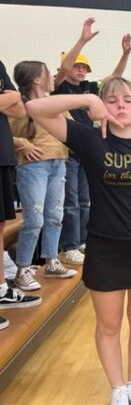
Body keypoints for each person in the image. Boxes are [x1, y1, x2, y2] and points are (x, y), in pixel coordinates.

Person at [26, 77, 131, 405]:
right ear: (103, 106)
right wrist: (87, 98)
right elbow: (35, 108)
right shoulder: (91, 139)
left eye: (128, 99)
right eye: (113, 99)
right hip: (106, 248)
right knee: (109, 324)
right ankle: (118, 387)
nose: (120, 105)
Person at [53, 17, 131, 265]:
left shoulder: (88, 87)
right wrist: (82, 41)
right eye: (76, 66)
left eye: (83, 67)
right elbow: (63, 70)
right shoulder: (58, 87)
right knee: (71, 201)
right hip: (67, 151)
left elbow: (115, 77)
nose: (79, 70)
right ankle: (69, 245)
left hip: (85, 151)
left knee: (85, 199)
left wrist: (125, 54)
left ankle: (84, 240)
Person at [11, 61, 77, 291]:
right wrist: (23, 145)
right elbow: (5, 134)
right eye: (48, 74)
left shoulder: (55, 103)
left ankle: (51, 260)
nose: (53, 77)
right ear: (37, 79)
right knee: (34, 219)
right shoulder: (18, 104)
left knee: (54, 216)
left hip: (59, 163)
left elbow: (73, 128)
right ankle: (23, 269)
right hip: (32, 166)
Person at [0, 60, 41, 329]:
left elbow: (17, 108)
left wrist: (10, 97)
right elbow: (12, 99)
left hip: (2, 156)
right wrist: (9, 96)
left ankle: (2, 288)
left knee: (0, 224)